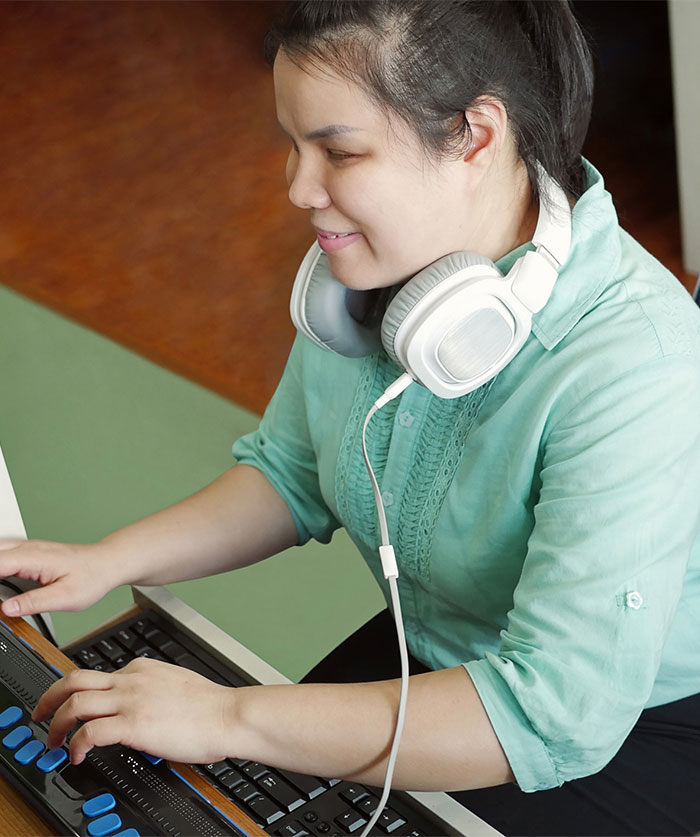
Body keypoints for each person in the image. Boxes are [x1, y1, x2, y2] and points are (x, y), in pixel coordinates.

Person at [1, 1, 699, 834]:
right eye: (294, 146)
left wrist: (229, 716)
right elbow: (291, 470)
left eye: (339, 151)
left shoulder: (637, 360)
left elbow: (551, 710)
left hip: (624, 720)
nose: (298, 188)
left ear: (475, 134)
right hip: (437, 651)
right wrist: (105, 559)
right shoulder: (373, 279)